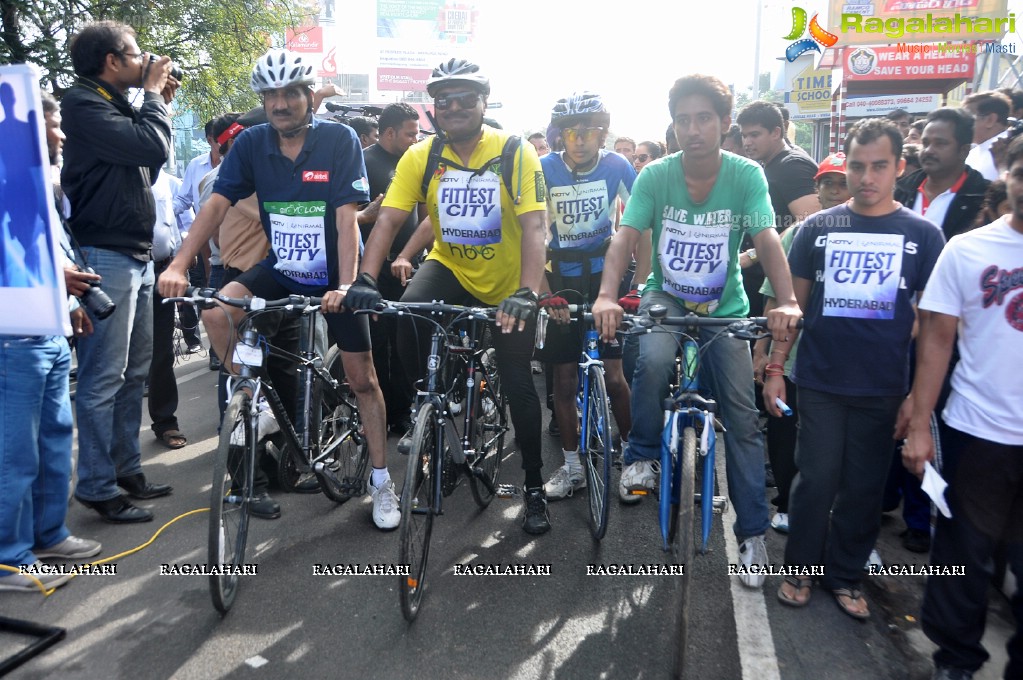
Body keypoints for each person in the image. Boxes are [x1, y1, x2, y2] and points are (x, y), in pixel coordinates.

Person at [158, 48, 399, 530]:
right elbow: (216, 204)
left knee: (362, 380)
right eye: (271, 95)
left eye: (291, 92)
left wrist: (348, 283)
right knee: (216, 313)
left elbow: (346, 218)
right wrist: (181, 263)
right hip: (283, 267)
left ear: (310, 96)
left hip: (334, 275)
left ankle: (381, 480)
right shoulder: (249, 144)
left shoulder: (339, 139)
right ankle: (262, 405)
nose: (281, 103)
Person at [591, 74, 802, 588]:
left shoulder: (746, 174)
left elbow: (767, 238)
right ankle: (641, 454)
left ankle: (752, 532)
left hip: (726, 308)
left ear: (724, 124)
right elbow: (626, 236)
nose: (693, 129)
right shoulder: (656, 176)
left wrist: (789, 298)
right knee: (655, 359)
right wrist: (605, 294)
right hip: (665, 296)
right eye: (683, 119)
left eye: (704, 118)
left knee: (742, 416)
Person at [344, 58, 552, 534]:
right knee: (408, 314)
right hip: (450, 266)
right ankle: (433, 400)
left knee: (518, 381)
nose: (454, 107)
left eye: (465, 99)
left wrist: (525, 291)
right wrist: (366, 278)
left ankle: (535, 486)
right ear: (434, 108)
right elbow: (390, 218)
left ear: (483, 103)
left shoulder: (516, 151)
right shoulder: (423, 155)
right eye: (444, 100)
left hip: (505, 283)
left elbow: (535, 226)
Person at [769, 118, 945, 617]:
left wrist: (916, 400)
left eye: (880, 166)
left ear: (899, 168)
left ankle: (846, 578)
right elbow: (792, 308)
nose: (867, 177)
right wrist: (775, 367)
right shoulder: (816, 229)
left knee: (864, 490)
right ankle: (800, 569)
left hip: (883, 387)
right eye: (858, 166)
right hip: (821, 381)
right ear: (846, 166)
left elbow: (934, 326)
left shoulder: (924, 236)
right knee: (816, 480)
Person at [898, 134, 1023, 680]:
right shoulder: (968, 250)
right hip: (977, 432)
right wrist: (920, 425)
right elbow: (936, 343)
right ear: (1007, 177)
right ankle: (956, 660)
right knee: (963, 561)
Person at [62, 20, 176, 523]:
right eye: (134, 54)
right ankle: (95, 484)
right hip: (106, 254)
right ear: (111, 60)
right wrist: (152, 94)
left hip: (135, 253)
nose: (144, 61)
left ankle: (126, 469)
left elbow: (149, 166)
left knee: (135, 372)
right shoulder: (82, 104)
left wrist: (156, 101)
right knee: (102, 376)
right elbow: (151, 149)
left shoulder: (112, 105)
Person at [0, 91, 103, 592]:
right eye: (51, 124)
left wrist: (69, 303)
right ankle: (7, 558)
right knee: (15, 454)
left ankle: (47, 535)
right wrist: (52, 279)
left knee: (53, 443)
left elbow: (53, 250)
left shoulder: (33, 184)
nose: (60, 134)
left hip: (49, 333)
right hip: (12, 341)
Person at [535, 91, 636, 499]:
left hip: (605, 278)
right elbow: (531, 233)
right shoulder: (541, 168)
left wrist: (638, 284)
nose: (579, 139)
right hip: (560, 279)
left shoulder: (618, 165)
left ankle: (633, 458)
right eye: (571, 132)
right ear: (560, 135)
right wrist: (543, 293)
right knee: (562, 379)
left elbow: (638, 220)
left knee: (614, 377)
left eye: (588, 132)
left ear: (602, 133)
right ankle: (573, 466)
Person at [753, 152, 850, 535]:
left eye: (842, 182)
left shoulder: (878, 231)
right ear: (817, 189)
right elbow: (772, 296)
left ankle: (839, 517)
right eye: (829, 183)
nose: (836, 190)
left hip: (842, 360)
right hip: (791, 357)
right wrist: (762, 351)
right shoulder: (798, 233)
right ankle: (787, 503)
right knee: (784, 430)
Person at [359, 102, 423, 435]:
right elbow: (352, 215)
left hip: (408, 268)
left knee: (405, 342)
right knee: (376, 343)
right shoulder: (364, 162)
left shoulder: (415, 163)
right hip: (374, 271)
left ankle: (402, 410)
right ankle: (377, 412)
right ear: (389, 132)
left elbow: (426, 213)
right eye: (410, 133)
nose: (416, 139)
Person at [737, 100, 820, 317]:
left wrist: (754, 254)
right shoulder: (769, 164)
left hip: (779, 281)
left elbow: (812, 222)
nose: (747, 142)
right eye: (744, 135)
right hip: (760, 277)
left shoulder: (791, 165)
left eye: (755, 135)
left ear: (776, 132)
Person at [894, 107, 989, 242]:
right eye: (925, 143)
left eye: (940, 144)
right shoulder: (900, 191)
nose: (928, 151)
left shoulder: (984, 199)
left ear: (964, 150)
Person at [147, 171, 189, 450]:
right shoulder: (107, 166)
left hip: (161, 269)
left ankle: (165, 422)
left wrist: (178, 264)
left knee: (161, 353)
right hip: (119, 269)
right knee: (118, 361)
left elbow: (168, 223)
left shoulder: (164, 179)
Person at [962, 90, 1011, 181]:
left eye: (968, 118)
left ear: (990, 120)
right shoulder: (973, 151)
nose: (962, 125)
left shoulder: (1012, 150)